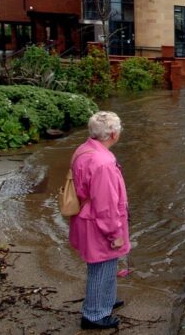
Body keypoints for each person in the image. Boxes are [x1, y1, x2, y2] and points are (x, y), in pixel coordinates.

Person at [69, 111, 130, 330]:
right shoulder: (103, 163)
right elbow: (106, 206)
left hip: (86, 217)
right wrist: (115, 234)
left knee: (107, 264)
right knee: (101, 265)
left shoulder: (84, 150)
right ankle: (93, 314)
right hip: (97, 222)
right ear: (113, 134)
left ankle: (107, 299)